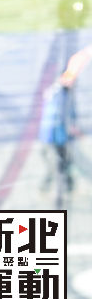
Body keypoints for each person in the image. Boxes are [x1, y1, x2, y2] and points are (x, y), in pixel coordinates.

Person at [40, 45, 90, 200]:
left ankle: (63, 188)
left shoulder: (61, 93)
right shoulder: (59, 92)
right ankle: (56, 189)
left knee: (63, 162)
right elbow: (61, 115)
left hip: (56, 136)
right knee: (59, 164)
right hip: (54, 136)